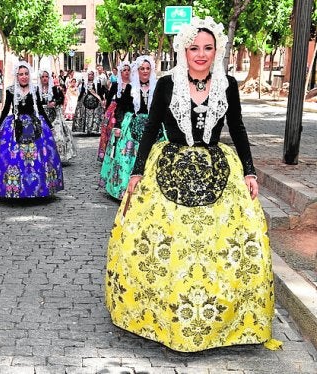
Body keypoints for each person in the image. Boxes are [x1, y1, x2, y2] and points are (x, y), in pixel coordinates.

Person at [105, 17, 282, 352]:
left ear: (217, 50)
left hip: (217, 168)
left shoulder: (227, 83)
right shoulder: (168, 84)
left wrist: (249, 172)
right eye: (194, 48)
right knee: (164, 243)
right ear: (183, 50)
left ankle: (221, 317)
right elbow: (153, 125)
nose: (201, 54)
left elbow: (239, 128)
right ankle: (162, 312)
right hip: (169, 164)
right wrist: (137, 172)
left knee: (226, 244)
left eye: (208, 48)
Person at [0, 61, 64, 198]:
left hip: (34, 126)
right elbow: (5, 111)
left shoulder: (35, 90)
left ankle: (37, 188)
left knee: (38, 158)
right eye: (21, 74)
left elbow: (39, 109)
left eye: (26, 74)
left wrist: (50, 127)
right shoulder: (10, 90)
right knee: (14, 159)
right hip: (15, 126)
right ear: (16, 76)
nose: (24, 77)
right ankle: (14, 189)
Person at [99, 55, 164, 200]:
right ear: (138, 70)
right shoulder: (130, 87)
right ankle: (126, 189)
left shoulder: (158, 87)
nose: (145, 71)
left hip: (154, 127)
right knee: (128, 156)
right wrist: (117, 126)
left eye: (148, 68)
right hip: (132, 125)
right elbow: (121, 108)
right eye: (142, 68)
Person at [38, 69, 77, 164]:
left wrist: (55, 102)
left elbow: (61, 98)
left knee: (58, 136)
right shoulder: (36, 90)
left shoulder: (54, 89)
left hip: (55, 116)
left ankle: (60, 157)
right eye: (42, 77)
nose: (44, 79)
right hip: (42, 116)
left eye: (46, 77)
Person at [97, 61, 131, 162]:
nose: (126, 72)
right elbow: (109, 98)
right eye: (124, 70)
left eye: (128, 70)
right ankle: (108, 153)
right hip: (114, 109)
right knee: (109, 129)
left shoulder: (134, 84)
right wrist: (107, 111)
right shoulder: (116, 84)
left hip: (128, 110)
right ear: (120, 72)